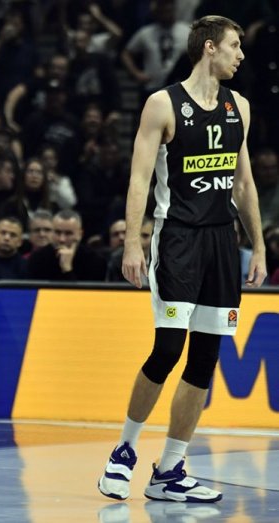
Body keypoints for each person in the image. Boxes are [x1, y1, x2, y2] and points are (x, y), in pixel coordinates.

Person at [97, 16, 266, 503]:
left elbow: (244, 183)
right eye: (234, 45)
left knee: (205, 358)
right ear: (209, 48)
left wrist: (257, 246)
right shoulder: (162, 104)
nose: (240, 55)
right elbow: (139, 180)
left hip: (221, 243)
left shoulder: (240, 107)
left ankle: (170, 469)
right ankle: (124, 451)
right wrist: (133, 243)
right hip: (178, 240)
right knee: (168, 350)